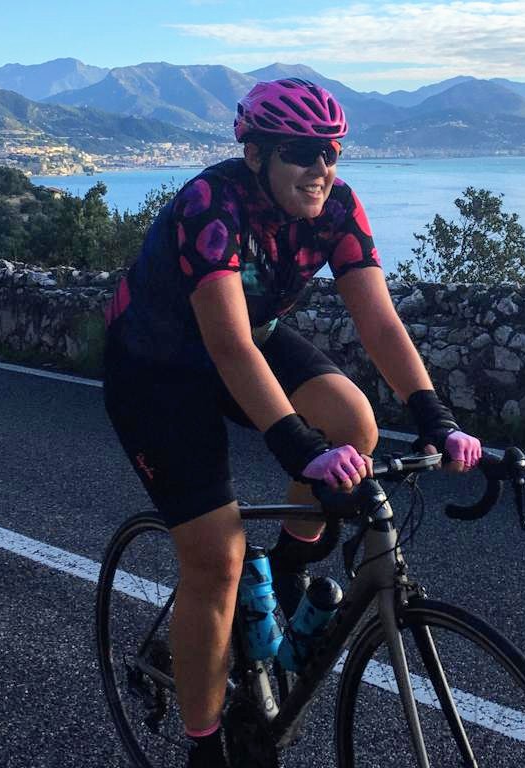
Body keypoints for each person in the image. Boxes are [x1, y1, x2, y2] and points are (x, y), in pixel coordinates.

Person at [102, 78, 483, 767]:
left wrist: (438, 419)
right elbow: (227, 347)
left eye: (331, 151)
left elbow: (378, 320)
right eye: (302, 152)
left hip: (250, 338)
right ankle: (204, 746)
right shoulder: (210, 204)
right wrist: (300, 449)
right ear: (256, 154)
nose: (321, 168)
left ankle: (284, 568)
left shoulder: (336, 207)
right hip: (157, 369)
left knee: (356, 423)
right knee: (216, 557)